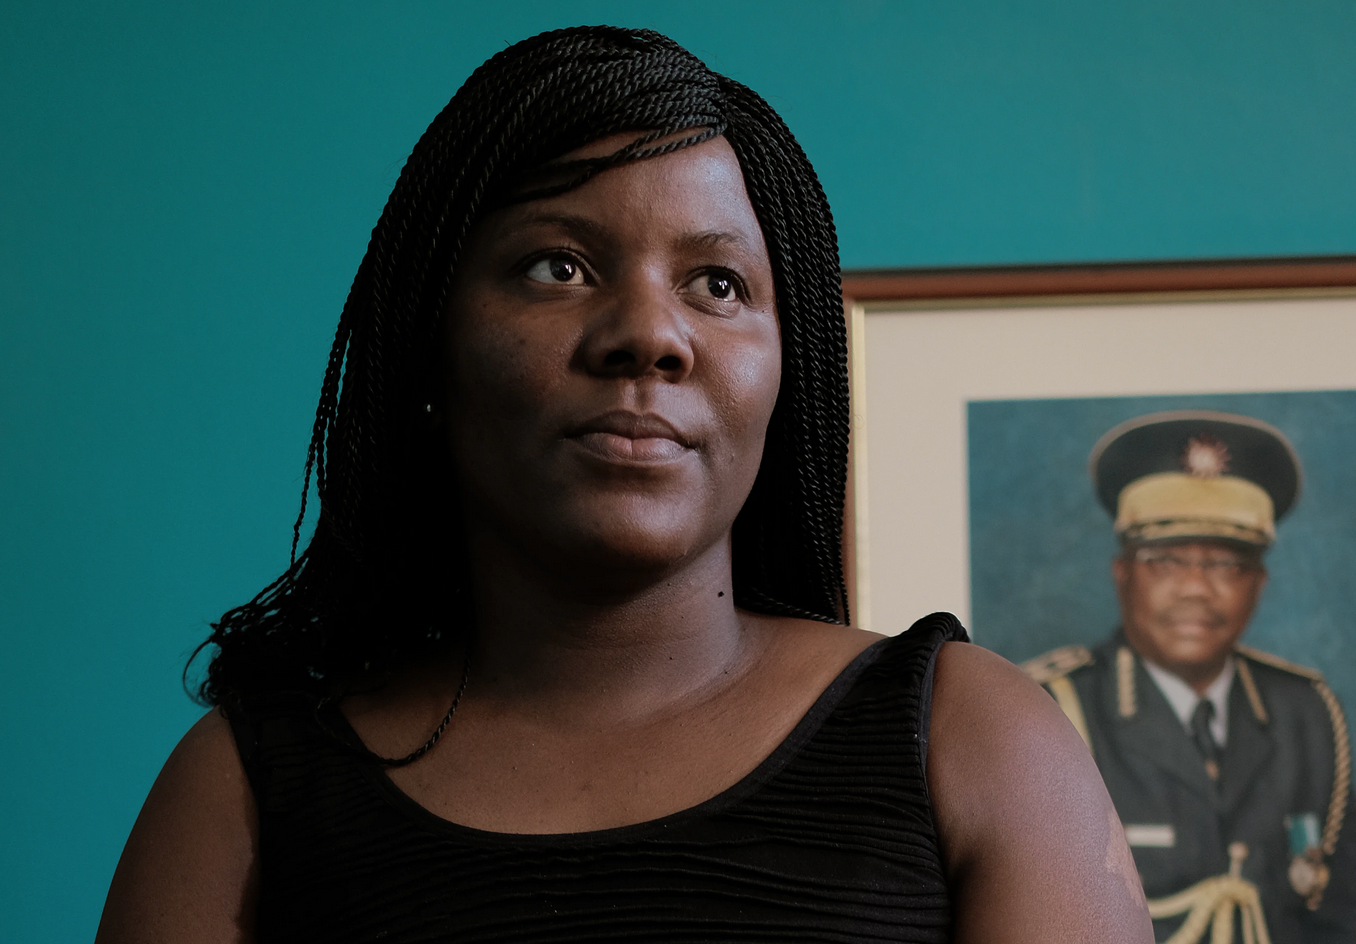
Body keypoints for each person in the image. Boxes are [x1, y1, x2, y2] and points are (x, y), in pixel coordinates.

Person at [96, 26, 1152, 943]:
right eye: (559, 265)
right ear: (428, 350)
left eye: (718, 284)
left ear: (791, 374)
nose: (650, 334)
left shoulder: (975, 740)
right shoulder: (238, 793)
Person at [1023, 410, 1355, 943]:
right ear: (1123, 573)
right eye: (1166, 561)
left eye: (1226, 564)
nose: (1197, 589)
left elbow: (1337, 918)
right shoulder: (1051, 711)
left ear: (1259, 582)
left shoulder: (1307, 716)